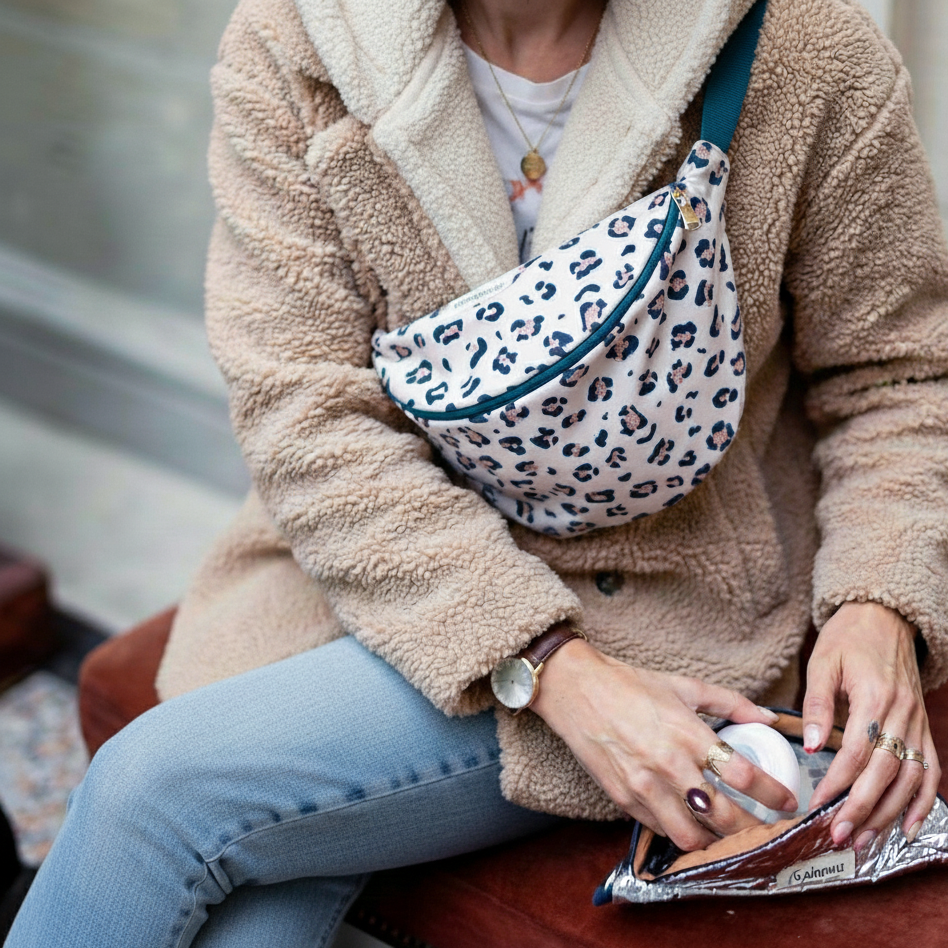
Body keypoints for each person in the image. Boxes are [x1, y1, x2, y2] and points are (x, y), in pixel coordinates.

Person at [6, 0, 948, 944]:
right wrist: (548, 669)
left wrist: (878, 602)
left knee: (152, 794)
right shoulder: (297, 40)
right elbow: (307, 418)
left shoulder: (801, 47)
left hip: (668, 597)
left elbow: (901, 371)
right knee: (246, 920)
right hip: (378, 559)